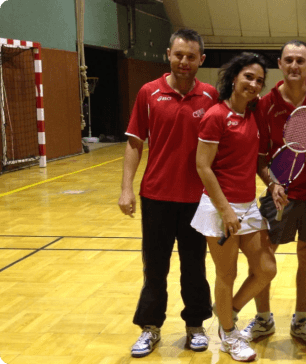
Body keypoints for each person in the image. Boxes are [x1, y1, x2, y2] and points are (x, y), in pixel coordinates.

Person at [118, 28, 216, 358]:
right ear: (168, 55)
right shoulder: (149, 93)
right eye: (179, 55)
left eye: (191, 56)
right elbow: (135, 143)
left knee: (195, 266)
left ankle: (196, 325)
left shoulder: (210, 96)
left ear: (201, 59)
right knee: (155, 268)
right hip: (157, 196)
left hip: (196, 200)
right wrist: (126, 190)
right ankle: (150, 328)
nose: (184, 61)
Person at [242, 40, 306, 347]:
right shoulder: (264, 104)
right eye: (289, 60)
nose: (295, 66)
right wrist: (273, 183)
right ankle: (263, 319)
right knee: (263, 259)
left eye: (301, 60)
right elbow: (260, 160)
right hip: (278, 194)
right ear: (281, 65)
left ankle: (300, 320)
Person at [190, 52, 276, 362]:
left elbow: (253, 162)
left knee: (266, 268)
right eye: (248, 77)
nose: (253, 84)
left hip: (248, 207)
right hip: (219, 207)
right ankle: (228, 334)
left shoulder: (252, 117)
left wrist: (273, 183)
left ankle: (229, 310)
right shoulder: (215, 116)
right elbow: (203, 166)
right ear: (234, 78)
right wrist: (225, 209)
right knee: (227, 274)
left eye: (259, 81)